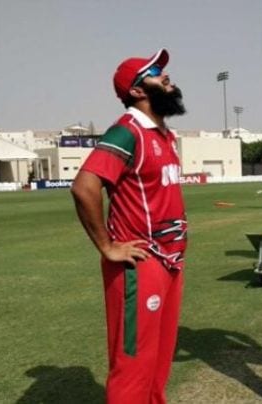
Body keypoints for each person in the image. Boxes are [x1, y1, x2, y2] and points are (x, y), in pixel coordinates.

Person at [71, 48, 188, 404]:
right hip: (140, 264)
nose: (165, 76)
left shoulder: (163, 134)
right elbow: (84, 186)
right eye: (155, 72)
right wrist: (107, 246)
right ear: (137, 90)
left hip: (170, 260)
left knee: (159, 360)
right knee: (133, 365)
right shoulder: (128, 131)